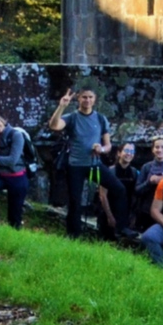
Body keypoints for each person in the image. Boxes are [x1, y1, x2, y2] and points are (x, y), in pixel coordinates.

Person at [46, 88, 112, 238]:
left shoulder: (101, 119)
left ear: (94, 100)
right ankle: (73, 235)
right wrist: (61, 106)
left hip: (94, 163)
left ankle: (114, 227)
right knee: (75, 202)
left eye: (90, 97)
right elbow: (54, 126)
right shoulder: (72, 117)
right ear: (79, 99)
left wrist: (101, 149)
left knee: (118, 188)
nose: (87, 100)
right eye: (84, 97)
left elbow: (108, 145)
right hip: (75, 165)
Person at [0, 113, 31, 229]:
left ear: (1, 120)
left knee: (14, 213)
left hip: (17, 177)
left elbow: (12, 160)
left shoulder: (16, 135)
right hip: (0, 176)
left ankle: (14, 234)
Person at [95, 141, 142, 240]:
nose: (129, 153)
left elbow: (135, 196)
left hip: (125, 215)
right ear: (119, 153)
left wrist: (133, 216)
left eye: (131, 151)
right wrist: (110, 216)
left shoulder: (134, 173)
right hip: (108, 213)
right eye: (126, 150)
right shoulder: (109, 171)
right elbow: (102, 196)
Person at [131, 136, 163, 233]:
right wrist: (149, 182)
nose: (159, 150)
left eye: (162, 147)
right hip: (146, 210)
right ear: (153, 149)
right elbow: (137, 190)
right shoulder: (146, 167)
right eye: (157, 147)